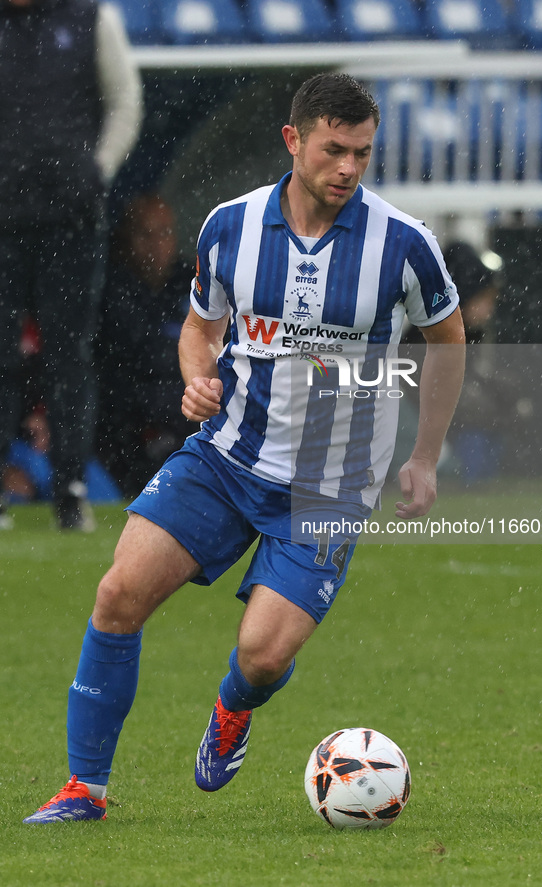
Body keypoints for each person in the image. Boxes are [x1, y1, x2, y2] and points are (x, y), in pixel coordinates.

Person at [23, 72, 465, 823]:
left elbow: (447, 342)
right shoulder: (229, 225)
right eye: (333, 149)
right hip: (225, 458)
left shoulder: (403, 245)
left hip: (330, 485)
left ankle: (235, 706)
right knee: (117, 595)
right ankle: (82, 789)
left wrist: (424, 455)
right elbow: (202, 327)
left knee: (261, 654)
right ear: (293, 140)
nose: (348, 168)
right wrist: (197, 381)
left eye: (361, 152)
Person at [0, 0, 142, 531]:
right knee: (1, 357)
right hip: (3, 219)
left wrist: (96, 173)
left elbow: (126, 101)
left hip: (71, 222)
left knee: (69, 358)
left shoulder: (89, 18)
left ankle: (70, 493)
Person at [96, 193, 193, 498]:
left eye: (164, 232)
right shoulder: (110, 289)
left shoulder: (192, 281)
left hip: (191, 404)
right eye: (145, 233)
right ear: (124, 239)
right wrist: (194, 347)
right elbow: (144, 354)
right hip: (131, 420)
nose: (156, 244)